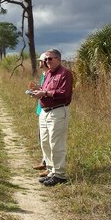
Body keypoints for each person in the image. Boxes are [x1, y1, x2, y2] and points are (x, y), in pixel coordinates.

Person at [32, 49, 73, 186]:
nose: (47, 61)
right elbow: (45, 90)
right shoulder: (48, 74)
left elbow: (64, 93)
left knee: (56, 143)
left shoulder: (64, 73)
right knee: (45, 142)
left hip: (57, 111)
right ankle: (51, 170)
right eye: (46, 59)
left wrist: (46, 93)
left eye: (50, 59)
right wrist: (38, 92)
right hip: (45, 111)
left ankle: (60, 174)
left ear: (58, 59)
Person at [30, 53, 49, 173]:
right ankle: (44, 161)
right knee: (42, 138)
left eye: (41, 61)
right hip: (41, 109)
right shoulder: (44, 74)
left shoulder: (50, 74)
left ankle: (48, 165)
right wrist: (36, 88)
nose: (40, 63)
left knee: (47, 138)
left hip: (47, 110)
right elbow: (43, 88)